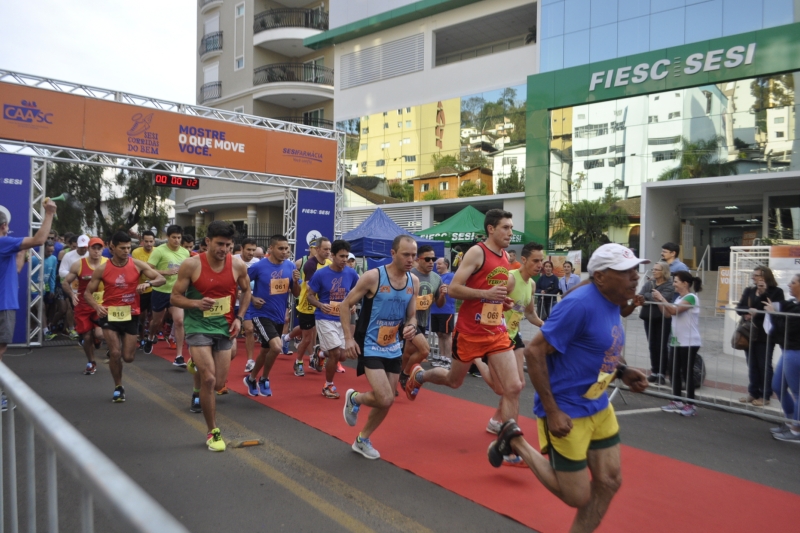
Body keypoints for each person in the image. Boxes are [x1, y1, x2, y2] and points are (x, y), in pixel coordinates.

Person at [486, 243, 649, 533]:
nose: (634, 277)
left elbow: (598, 344)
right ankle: (516, 440)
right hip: (567, 408)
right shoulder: (579, 305)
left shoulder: (613, 299)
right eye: (625, 272)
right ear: (600, 276)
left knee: (610, 481)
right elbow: (535, 352)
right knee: (576, 495)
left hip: (598, 405)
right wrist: (552, 411)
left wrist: (622, 371)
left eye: (635, 270)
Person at [406, 210, 524, 442]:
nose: (510, 232)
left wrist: (501, 300)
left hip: (495, 332)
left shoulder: (504, 257)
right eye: (506, 227)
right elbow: (454, 288)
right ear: (491, 229)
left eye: (511, 227)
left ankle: (510, 445)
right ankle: (420, 376)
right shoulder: (477, 252)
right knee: (454, 381)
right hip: (470, 332)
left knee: (513, 387)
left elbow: (491, 293)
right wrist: (486, 293)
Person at [171, 221, 251, 452]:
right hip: (198, 326)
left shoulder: (237, 265)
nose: (223, 249)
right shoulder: (191, 264)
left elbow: (247, 291)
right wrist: (196, 302)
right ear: (208, 241)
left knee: (219, 384)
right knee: (208, 380)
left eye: (228, 245)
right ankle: (213, 431)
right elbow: (175, 298)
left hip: (225, 327)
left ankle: (194, 364)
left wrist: (239, 317)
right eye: (219, 244)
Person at [340, 235, 418, 460]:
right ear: (393, 253)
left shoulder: (413, 281)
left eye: (414, 255)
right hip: (370, 344)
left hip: (394, 346)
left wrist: (412, 326)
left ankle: (362, 439)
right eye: (406, 254)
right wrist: (348, 339)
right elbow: (346, 305)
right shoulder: (374, 277)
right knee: (384, 398)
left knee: (388, 401)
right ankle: (354, 398)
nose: (410, 259)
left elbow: (412, 315)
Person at [84, 232, 165, 403]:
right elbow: (87, 293)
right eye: (122, 248)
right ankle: (118, 386)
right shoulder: (103, 268)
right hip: (109, 314)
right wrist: (97, 306)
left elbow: (160, 278)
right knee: (115, 353)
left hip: (130, 314)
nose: (126, 251)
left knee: (128, 357)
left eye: (129, 247)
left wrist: (148, 283)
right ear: (112, 247)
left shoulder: (136, 264)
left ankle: (119, 373)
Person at [481, 241, 544, 441]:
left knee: (517, 385)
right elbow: (488, 305)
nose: (540, 264)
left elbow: (531, 314)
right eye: (536, 260)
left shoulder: (532, 284)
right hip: (497, 337)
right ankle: (473, 358)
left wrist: (551, 327)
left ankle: (498, 423)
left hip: (514, 336)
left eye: (542, 260)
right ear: (523, 260)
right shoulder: (509, 279)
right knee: (502, 387)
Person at [0, 199, 57, 409]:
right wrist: (49, 213)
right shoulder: (3, 242)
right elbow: (40, 239)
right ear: (4, 226)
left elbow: (14, 270)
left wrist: (21, 253)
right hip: (2, 304)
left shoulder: (7, 248)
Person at [242, 235, 300, 400]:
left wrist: (296, 282)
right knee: (276, 347)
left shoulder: (290, 266)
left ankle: (251, 379)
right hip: (261, 313)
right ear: (271, 249)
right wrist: (253, 298)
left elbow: (296, 294)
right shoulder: (259, 266)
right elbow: (243, 285)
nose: (284, 252)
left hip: (279, 315)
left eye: (286, 248)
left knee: (266, 349)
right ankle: (265, 379)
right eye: (280, 248)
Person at [306, 240, 360, 399]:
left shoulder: (351, 273)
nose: (344, 259)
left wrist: (352, 304)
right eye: (341, 256)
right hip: (325, 317)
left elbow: (356, 292)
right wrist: (320, 305)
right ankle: (328, 385)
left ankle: (321, 353)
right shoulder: (321, 274)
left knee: (343, 356)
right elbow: (309, 296)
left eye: (346, 256)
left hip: (342, 318)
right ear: (333, 255)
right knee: (336, 353)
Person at [653, 270, 703, 417]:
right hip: (677, 341)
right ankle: (677, 400)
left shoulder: (691, 298)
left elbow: (675, 311)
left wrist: (661, 297)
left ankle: (691, 404)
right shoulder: (678, 298)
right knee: (674, 372)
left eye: (676, 281)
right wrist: (658, 301)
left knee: (687, 374)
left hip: (689, 341)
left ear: (685, 283)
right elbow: (668, 313)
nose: (674, 284)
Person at [736, 266, 784, 406]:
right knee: (752, 364)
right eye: (754, 275)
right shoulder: (749, 290)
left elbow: (772, 309)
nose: (753, 277)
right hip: (749, 332)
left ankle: (765, 395)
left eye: (757, 275)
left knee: (764, 365)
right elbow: (740, 307)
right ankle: (753, 392)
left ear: (765, 277)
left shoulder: (776, 292)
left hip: (765, 334)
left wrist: (763, 293)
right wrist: (748, 311)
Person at [398, 245, 443, 392]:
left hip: (423, 321)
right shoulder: (409, 275)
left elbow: (439, 304)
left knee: (408, 352)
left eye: (433, 259)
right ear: (419, 259)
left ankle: (396, 377)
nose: (431, 262)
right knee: (425, 350)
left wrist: (442, 295)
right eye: (428, 259)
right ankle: (405, 375)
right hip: (408, 320)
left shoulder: (437, 278)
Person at [143, 225, 190, 365]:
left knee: (179, 321)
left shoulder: (185, 253)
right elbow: (148, 269)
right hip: (160, 291)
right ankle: (151, 337)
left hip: (177, 292)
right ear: (167, 238)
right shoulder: (159, 251)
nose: (176, 240)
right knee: (157, 322)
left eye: (179, 238)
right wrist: (165, 272)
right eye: (174, 237)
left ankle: (179, 356)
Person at [62, 237, 107, 375]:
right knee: (86, 336)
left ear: (102, 249)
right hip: (83, 305)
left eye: (99, 248)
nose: (96, 251)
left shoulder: (108, 263)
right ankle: (91, 362)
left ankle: (97, 339)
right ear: (88, 249)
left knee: (99, 333)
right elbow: (65, 282)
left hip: (101, 304)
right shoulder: (79, 264)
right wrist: (72, 294)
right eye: (94, 248)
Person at [625, 260, 673, 385]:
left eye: (657, 269)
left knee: (662, 346)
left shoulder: (669, 284)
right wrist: (651, 296)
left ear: (664, 272)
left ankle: (662, 373)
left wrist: (650, 297)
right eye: (653, 269)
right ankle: (654, 371)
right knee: (652, 345)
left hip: (663, 317)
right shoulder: (649, 283)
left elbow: (665, 297)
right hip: (649, 317)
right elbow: (640, 295)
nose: (654, 271)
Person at [765, 273, 800, 442]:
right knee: (777, 385)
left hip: (795, 351)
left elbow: (786, 328)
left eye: (793, 282)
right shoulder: (793, 303)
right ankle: (792, 420)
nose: (789, 284)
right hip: (788, 350)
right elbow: (776, 304)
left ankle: (796, 430)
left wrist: (773, 313)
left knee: (798, 392)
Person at [293, 237, 332, 376]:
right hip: (307, 305)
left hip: (322, 305)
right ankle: (298, 361)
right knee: (307, 338)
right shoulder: (310, 264)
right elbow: (311, 288)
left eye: (329, 249)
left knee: (325, 336)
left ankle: (317, 356)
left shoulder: (329, 263)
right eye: (325, 249)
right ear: (317, 249)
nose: (328, 252)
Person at [235, 237, 261, 373]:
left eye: (253, 250)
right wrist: (236, 291)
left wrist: (252, 297)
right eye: (248, 250)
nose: (251, 253)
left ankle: (250, 361)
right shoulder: (233, 260)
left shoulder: (257, 263)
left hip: (247, 302)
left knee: (249, 329)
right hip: (230, 302)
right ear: (242, 249)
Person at [59, 234, 89, 340]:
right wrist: (76, 274)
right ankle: (72, 329)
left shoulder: (91, 255)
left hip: (86, 288)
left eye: (85, 247)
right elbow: (61, 271)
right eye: (81, 247)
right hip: (71, 286)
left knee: (84, 309)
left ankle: (84, 329)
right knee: (70, 308)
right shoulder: (69, 256)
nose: (83, 250)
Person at [430, 257, 455, 369]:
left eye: (439, 264)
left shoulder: (451, 276)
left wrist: (447, 287)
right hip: (435, 309)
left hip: (447, 310)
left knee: (446, 334)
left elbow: (456, 289)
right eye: (436, 264)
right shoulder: (435, 277)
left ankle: (448, 359)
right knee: (439, 334)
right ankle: (441, 357)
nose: (437, 266)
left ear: (446, 264)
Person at [132, 230, 156, 346]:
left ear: (154, 241)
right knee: (142, 315)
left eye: (151, 241)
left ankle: (151, 335)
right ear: (142, 241)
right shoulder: (136, 252)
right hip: (141, 289)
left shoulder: (158, 251)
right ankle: (141, 336)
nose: (149, 244)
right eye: (146, 241)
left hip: (156, 288)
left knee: (155, 315)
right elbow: (137, 270)